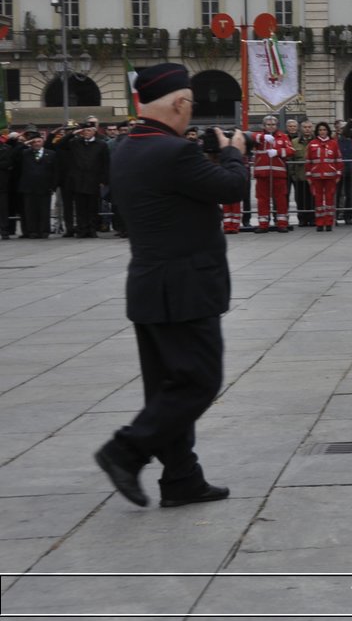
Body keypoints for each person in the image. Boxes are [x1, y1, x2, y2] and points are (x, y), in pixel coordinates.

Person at [93, 63, 249, 509]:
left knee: (167, 385)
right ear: (180, 103)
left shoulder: (125, 147)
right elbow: (233, 188)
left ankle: (181, 478)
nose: (191, 114)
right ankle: (126, 450)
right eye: (191, 106)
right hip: (186, 286)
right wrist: (234, 150)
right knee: (199, 381)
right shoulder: (174, 153)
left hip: (147, 284)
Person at [67, 122, 111, 237]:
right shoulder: (75, 143)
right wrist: (73, 133)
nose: (86, 133)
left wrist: (104, 180)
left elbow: (105, 163)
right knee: (80, 207)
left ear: (94, 131)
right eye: (84, 131)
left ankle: (92, 229)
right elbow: (61, 145)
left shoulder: (101, 144)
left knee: (92, 207)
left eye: (88, 130)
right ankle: (82, 229)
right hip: (78, 181)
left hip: (94, 180)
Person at [251, 114, 292, 232]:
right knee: (262, 199)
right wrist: (263, 137)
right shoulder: (259, 136)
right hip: (262, 173)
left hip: (278, 173)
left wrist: (278, 152)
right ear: (264, 126)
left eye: (273, 124)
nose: (271, 127)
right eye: (268, 125)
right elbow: (250, 138)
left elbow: (291, 150)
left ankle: (282, 224)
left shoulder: (283, 137)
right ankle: (263, 225)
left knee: (280, 199)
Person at [305, 122, 343, 231]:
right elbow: (308, 162)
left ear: (328, 131)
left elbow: (338, 160)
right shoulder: (312, 143)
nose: (322, 132)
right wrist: (308, 176)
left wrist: (338, 174)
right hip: (316, 177)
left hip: (330, 177)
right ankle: (320, 223)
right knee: (318, 201)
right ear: (317, 131)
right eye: (320, 130)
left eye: (324, 130)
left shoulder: (333, 143)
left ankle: (329, 222)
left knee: (330, 200)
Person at [19, 130, 57, 239]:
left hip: (45, 187)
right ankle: (32, 231)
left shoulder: (51, 154)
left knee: (44, 210)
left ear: (43, 142)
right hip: (29, 187)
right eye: (34, 142)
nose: (36, 143)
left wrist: (53, 185)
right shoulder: (25, 153)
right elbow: (15, 153)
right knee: (30, 210)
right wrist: (25, 143)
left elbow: (55, 171)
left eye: (39, 141)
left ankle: (44, 231)